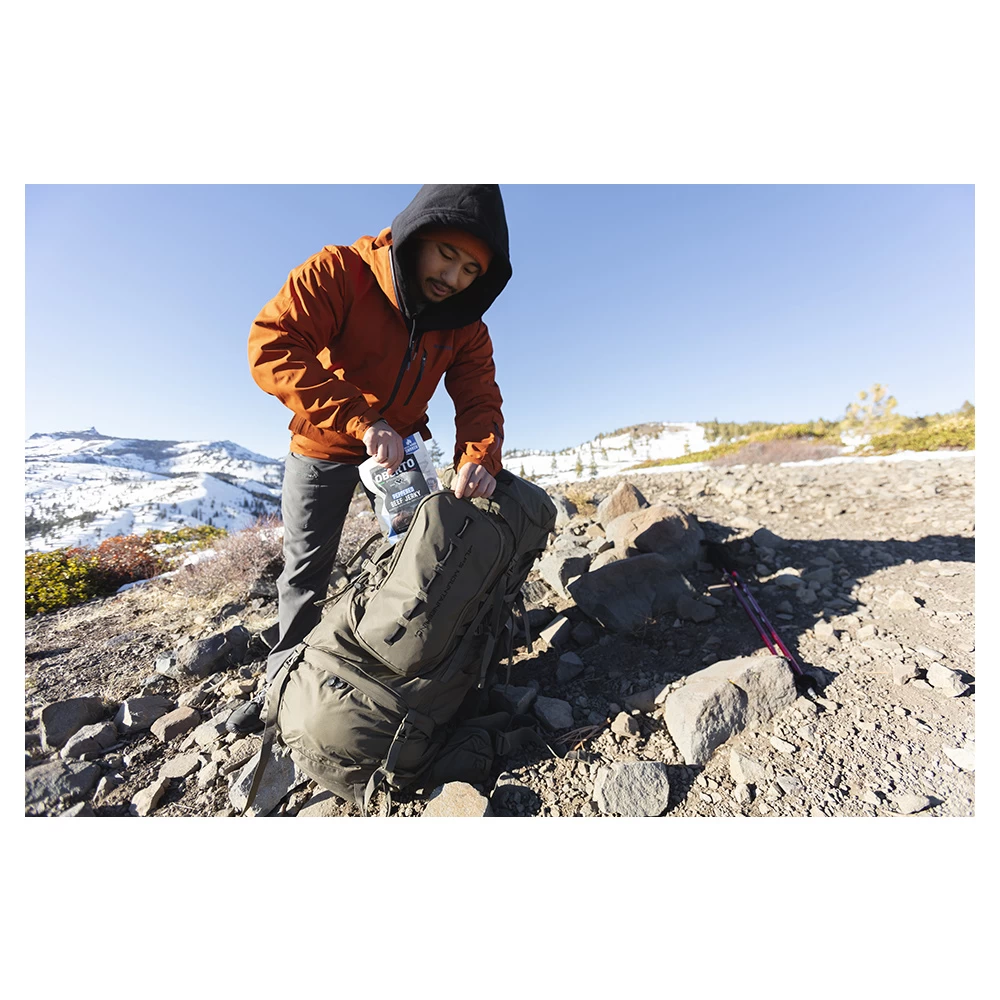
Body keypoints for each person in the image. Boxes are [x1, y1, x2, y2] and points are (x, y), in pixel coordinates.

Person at [227, 184, 512, 734]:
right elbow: (272, 344)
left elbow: (478, 399)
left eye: (471, 270)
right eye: (446, 256)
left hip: (400, 460)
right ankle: (284, 683)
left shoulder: (466, 324)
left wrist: (480, 456)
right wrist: (360, 418)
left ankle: (409, 669)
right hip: (324, 444)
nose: (452, 278)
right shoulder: (340, 272)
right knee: (306, 569)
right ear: (417, 236)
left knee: (419, 561)